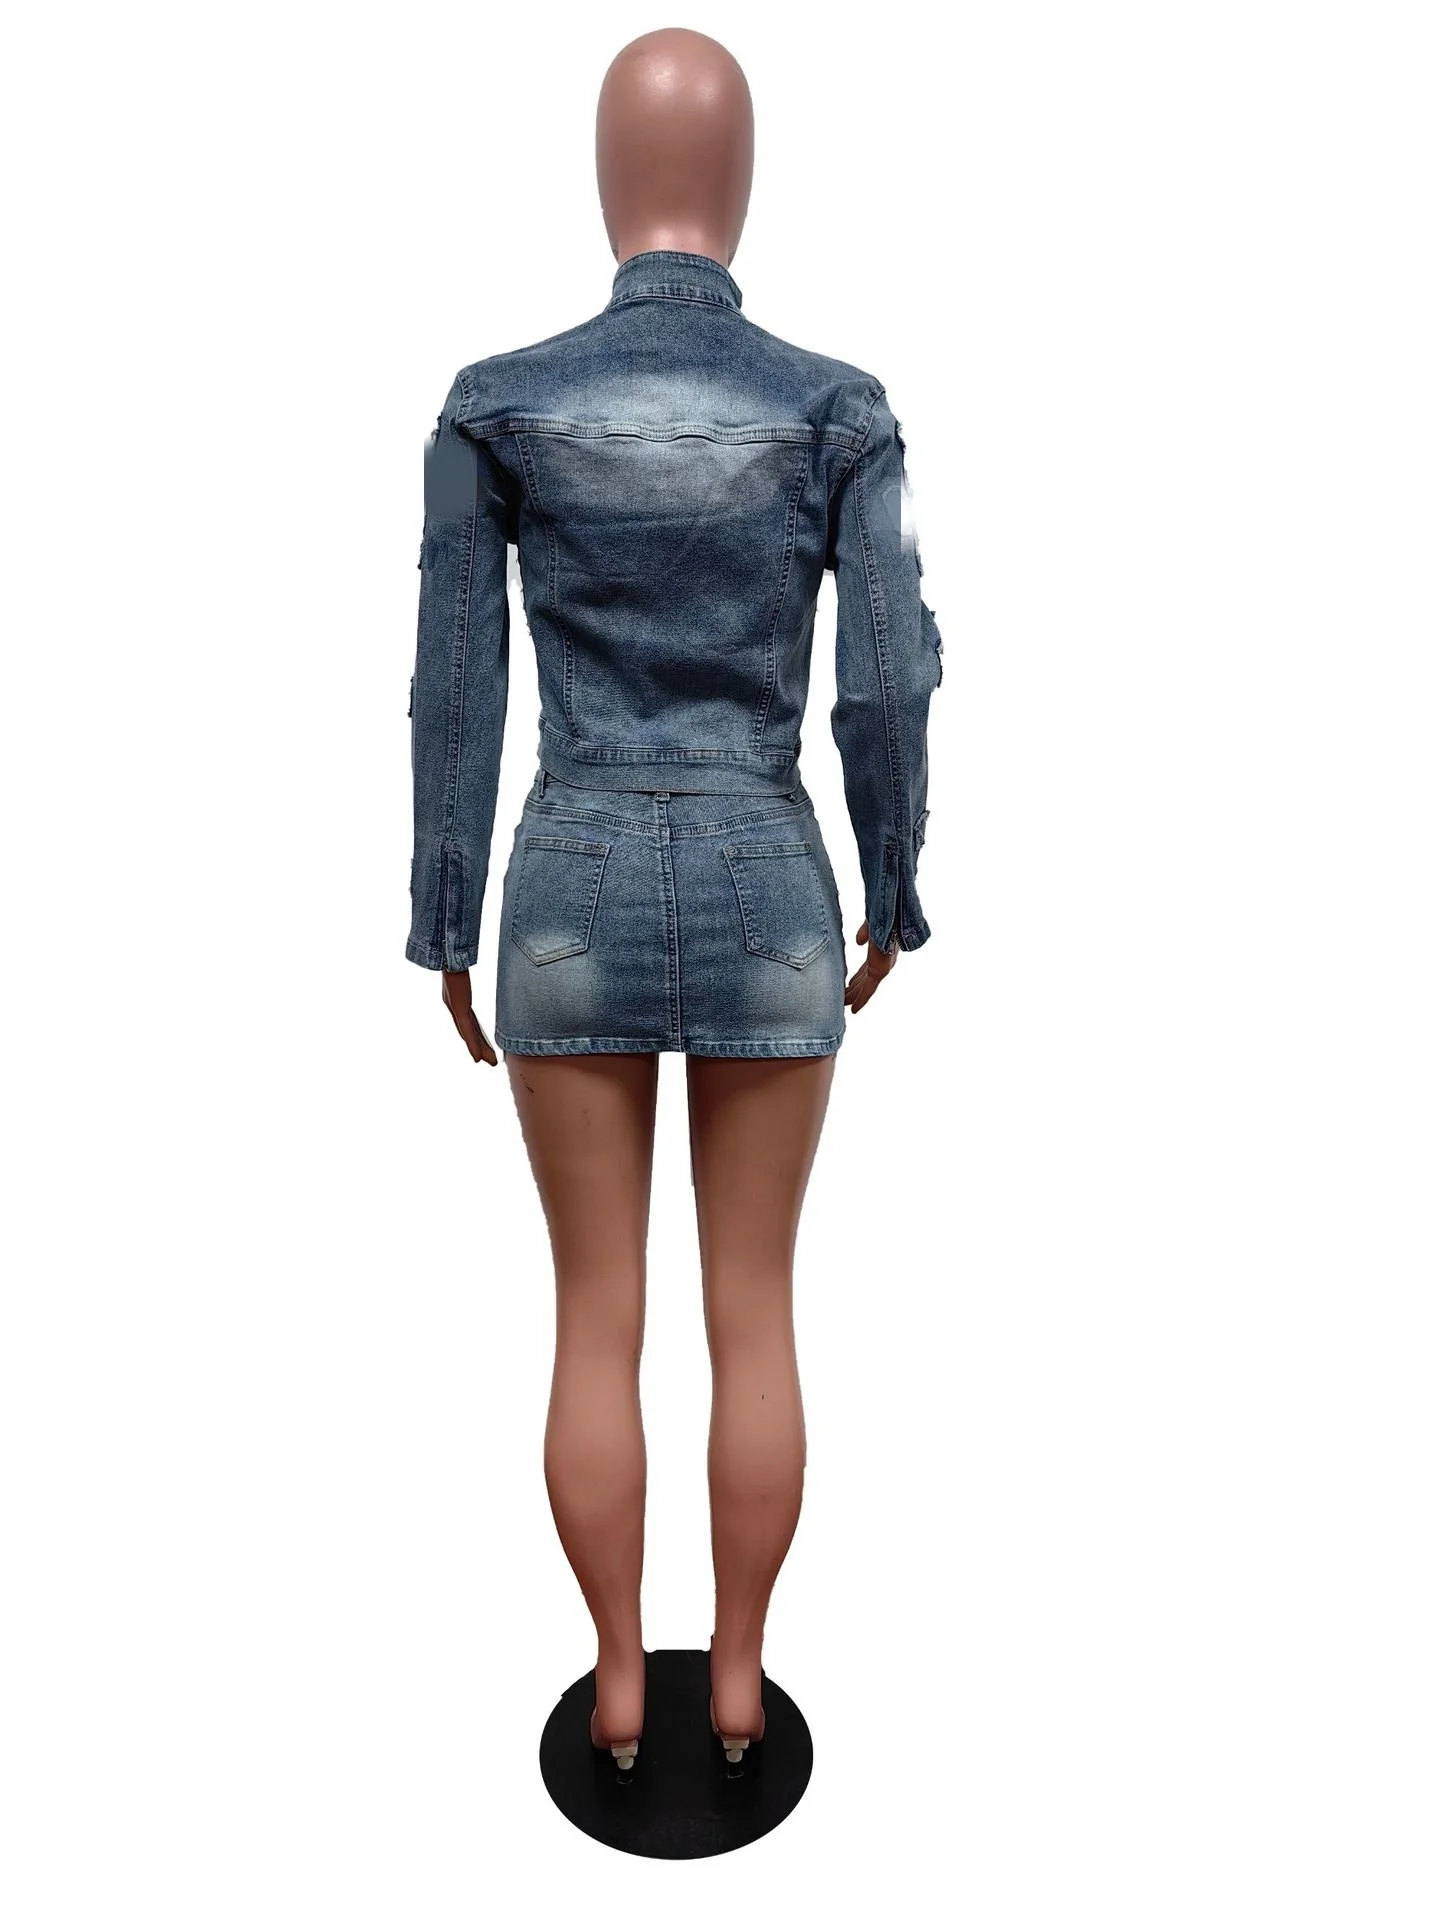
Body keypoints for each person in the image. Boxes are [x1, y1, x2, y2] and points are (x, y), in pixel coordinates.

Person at [406, 28, 943, 1773]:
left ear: (606, 182)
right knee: (756, 1312)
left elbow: (455, 683)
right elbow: (889, 680)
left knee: (594, 1318)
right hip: (769, 877)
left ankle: (623, 1684)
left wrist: (445, 920)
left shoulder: (496, 401)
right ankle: (743, 1679)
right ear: (741, 182)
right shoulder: (839, 409)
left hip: (564, 878)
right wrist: (894, 885)